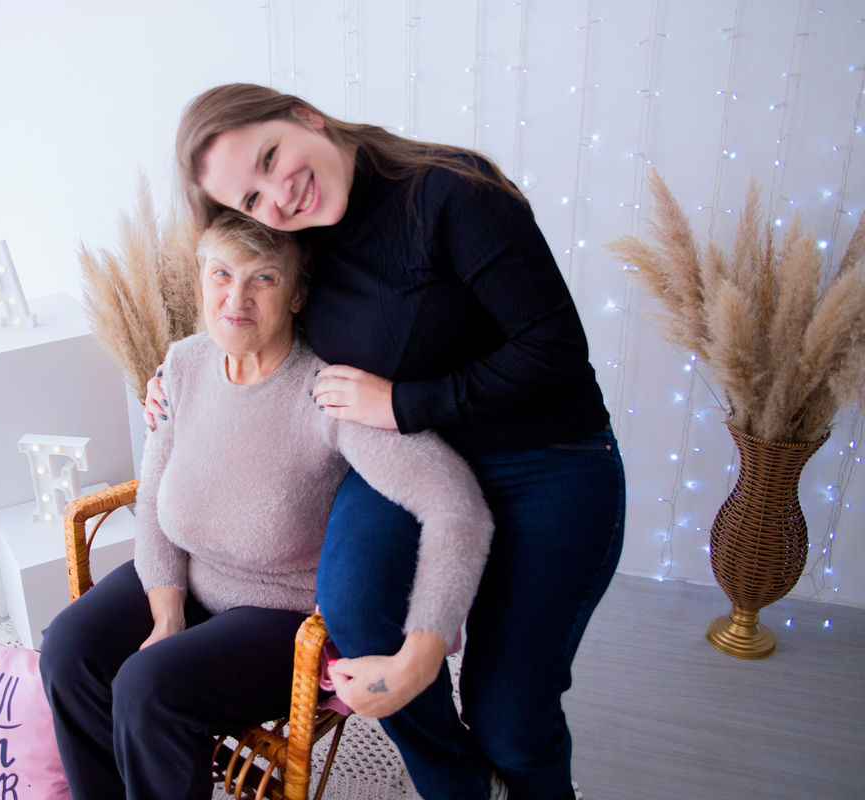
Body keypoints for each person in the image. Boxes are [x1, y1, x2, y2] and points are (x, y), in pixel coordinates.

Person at [144, 84, 626, 800]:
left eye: (272, 158)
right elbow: (254, 298)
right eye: (251, 199)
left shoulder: (452, 195)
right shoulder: (300, 238)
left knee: (509, 718)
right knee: (356, 609)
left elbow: (553, 347)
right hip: (410, 458)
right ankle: (457, 786)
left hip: (547, 461)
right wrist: (182, 370)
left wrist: (406, 402)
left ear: (305, 114)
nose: (276, 199)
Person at [39, 211, 493, 800]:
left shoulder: (326, 391)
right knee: (67, 650)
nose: (236, 297)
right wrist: (166, 615)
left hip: (278, 615)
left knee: (146, 687)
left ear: (299, 292)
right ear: (201, 278)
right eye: (222, 273)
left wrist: (423, 648)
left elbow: (456, 504)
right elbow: (153, 497)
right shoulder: (183, 364)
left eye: (264, 279)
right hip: (187, 582)